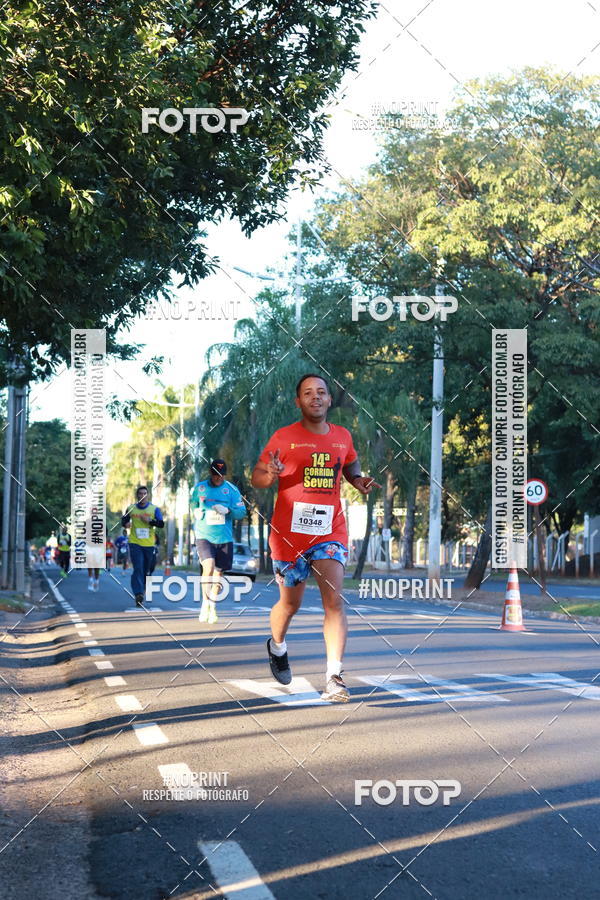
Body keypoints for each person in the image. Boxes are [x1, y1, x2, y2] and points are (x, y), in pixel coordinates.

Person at [251, 374, 380, 702]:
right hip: (288, 536)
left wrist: (358, 481)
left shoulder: (342, 437)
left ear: (329, 399)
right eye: (308, 393)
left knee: (334, 601)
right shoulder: (283, 437)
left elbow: (350, 465)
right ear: (299, 402)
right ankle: (277, 645)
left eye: (321, 392)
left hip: (329, 532)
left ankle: (334, 677)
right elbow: (257, 478)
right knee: (290, 604)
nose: (316, 397)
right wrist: (271, 473)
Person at [190, 459, 246, 624]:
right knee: (208, 566)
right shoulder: (200, 488)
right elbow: (193, 503)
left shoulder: (231, 490)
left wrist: (229, 511)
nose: (217, 478)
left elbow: (242, 512)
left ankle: (212, 606)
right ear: (210, 473)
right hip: (204, 535)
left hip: (224, 537)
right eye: (215, 475)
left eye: (221, 475)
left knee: (218, 573)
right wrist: (196, 511)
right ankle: (204, 604)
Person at [121, 485, 165, 607]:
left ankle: (142, 590)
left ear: (147, 495)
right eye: (140, 493)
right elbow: (123, 521)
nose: (142, 496)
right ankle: (138, 593)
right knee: (138, 568)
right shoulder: (131, 508)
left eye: (144, 494)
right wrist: (126, 524)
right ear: (137, 495)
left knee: (147, 570)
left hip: (149, 544)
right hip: (135, 543)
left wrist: (150, 521)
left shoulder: (154, 509)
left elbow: (161, 524)